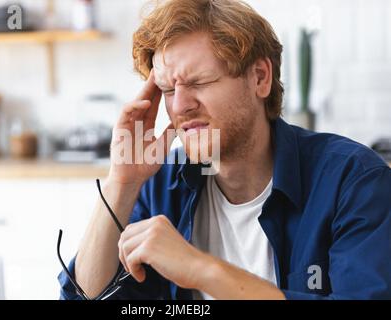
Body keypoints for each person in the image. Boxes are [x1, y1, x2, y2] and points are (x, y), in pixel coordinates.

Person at [58, 0, 391, 300]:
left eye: (198, 82)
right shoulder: (161, 184)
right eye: (167, 89)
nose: (181, 106)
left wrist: (201, 269)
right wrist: (121, 183)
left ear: (260, 77)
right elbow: (83, 297)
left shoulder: (354, 181)